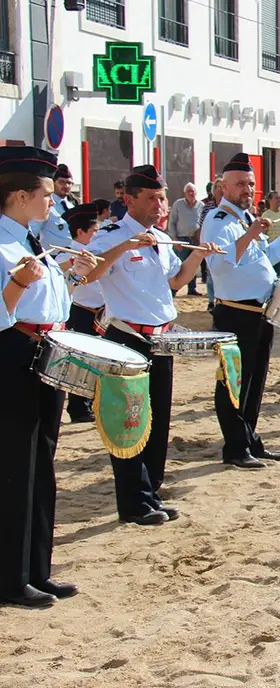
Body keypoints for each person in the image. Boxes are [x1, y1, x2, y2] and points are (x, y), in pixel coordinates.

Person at [86, 165, 219, 525]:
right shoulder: (111, 234)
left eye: (162, 198)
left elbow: (175, 281)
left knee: (157, 419)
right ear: (129, 199)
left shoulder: (159, 238)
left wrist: (197, 257)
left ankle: (151, 492)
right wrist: (125, 246)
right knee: (130, 421)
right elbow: (91, 271)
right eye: (151, 198)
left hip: (160, 336)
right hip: (127, 337)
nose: (159, 205)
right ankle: (133, 502)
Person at [0, 146, 98, 608]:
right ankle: (11, 577)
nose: (53, 202)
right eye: (45, 193)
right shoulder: (4, 242)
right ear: (20, 196)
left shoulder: (27, 237)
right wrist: (18, 284)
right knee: (17, 468)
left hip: (44, 351)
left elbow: (49, 301)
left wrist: (70, 278)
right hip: (13, 353)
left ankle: (38, 568)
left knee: (42, 465)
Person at [201, 153, 280, 469]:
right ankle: (235, 447)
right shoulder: (218, 220)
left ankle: (250, 440)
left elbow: (265, 257)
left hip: (259, 312)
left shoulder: (244, 219)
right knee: (234, 382)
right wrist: (250, 234)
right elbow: (220, 264)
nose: (247, 189)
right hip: (235, 312)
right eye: (240, 184)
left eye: (250, 184)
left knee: (255, 381)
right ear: (223, 187)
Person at [56, 204, 105, 424]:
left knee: (98, 361)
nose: (97, 234)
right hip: (81, 312)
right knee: (80, 362)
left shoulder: (98, 251)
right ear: (80, 232)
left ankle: (92, 402)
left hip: (100, 314)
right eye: (94, 230)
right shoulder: (64, 254)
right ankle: (78, 407)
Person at [168, 183, 205, 296]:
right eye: (189, 191)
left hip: (195, 240)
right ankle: (172, 290)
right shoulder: (178, 204)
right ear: (185, 193)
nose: (191, 193)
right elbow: (172, 222)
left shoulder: (201, 205)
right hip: (181, 240)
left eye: (193, 191)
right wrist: (174, 240)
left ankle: (192, 289)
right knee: (178, 266)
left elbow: (203, 223)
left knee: (192, 265)